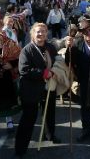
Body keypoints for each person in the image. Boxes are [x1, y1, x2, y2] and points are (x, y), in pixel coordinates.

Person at [15, 23, 60, 157]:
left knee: (50, 113)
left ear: (47, 33)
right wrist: (44, 73)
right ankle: (20, 148)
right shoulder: (26, 50)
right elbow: (24, 70)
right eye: (38, 32)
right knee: (28, 119)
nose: (41, 34)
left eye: (43, 32)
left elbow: (57, 61)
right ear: (32, 34)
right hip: (31, 90)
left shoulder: (51, 47)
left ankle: (50, 135)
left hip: (48, 87)